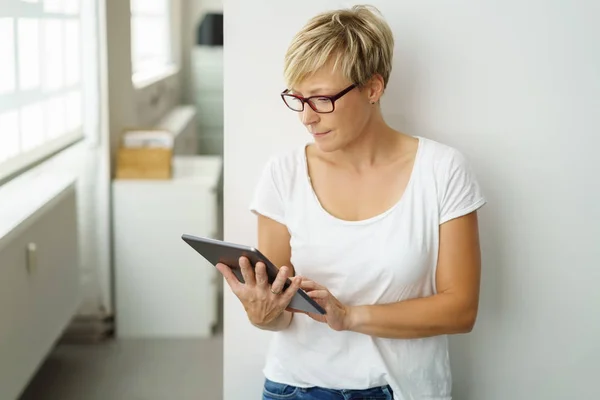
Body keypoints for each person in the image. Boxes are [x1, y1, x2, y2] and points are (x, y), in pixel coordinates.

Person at [216, 5, 486, 400]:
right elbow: (278, 312)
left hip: (404, 390)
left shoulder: (443, 170)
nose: (307, 118)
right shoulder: (283, 173)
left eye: (322, 99)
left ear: (373, 88)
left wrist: (351, 317)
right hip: (297, 388)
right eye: (298, 98)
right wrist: (262, 314)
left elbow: (461, 309)